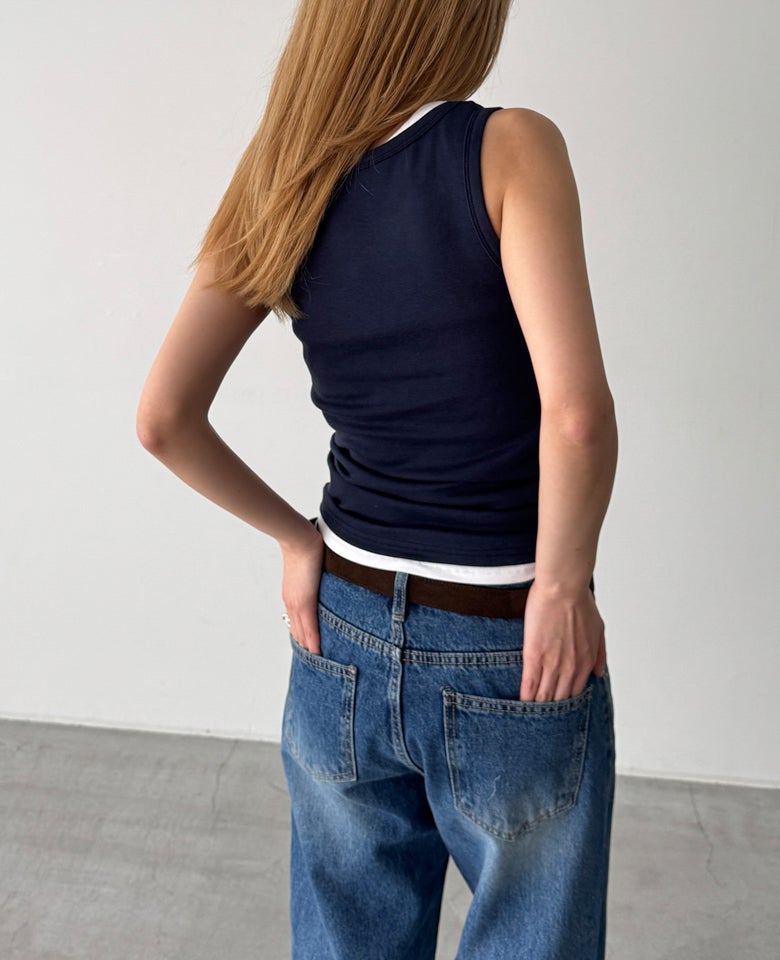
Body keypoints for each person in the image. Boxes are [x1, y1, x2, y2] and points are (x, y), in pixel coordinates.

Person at [136, 0, 619, 956]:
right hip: (506, 640)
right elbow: (576, 416)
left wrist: (295, 537)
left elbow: (163, 420)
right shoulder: (509, 148)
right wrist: (563, 586)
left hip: (340, 633)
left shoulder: (283, 174)